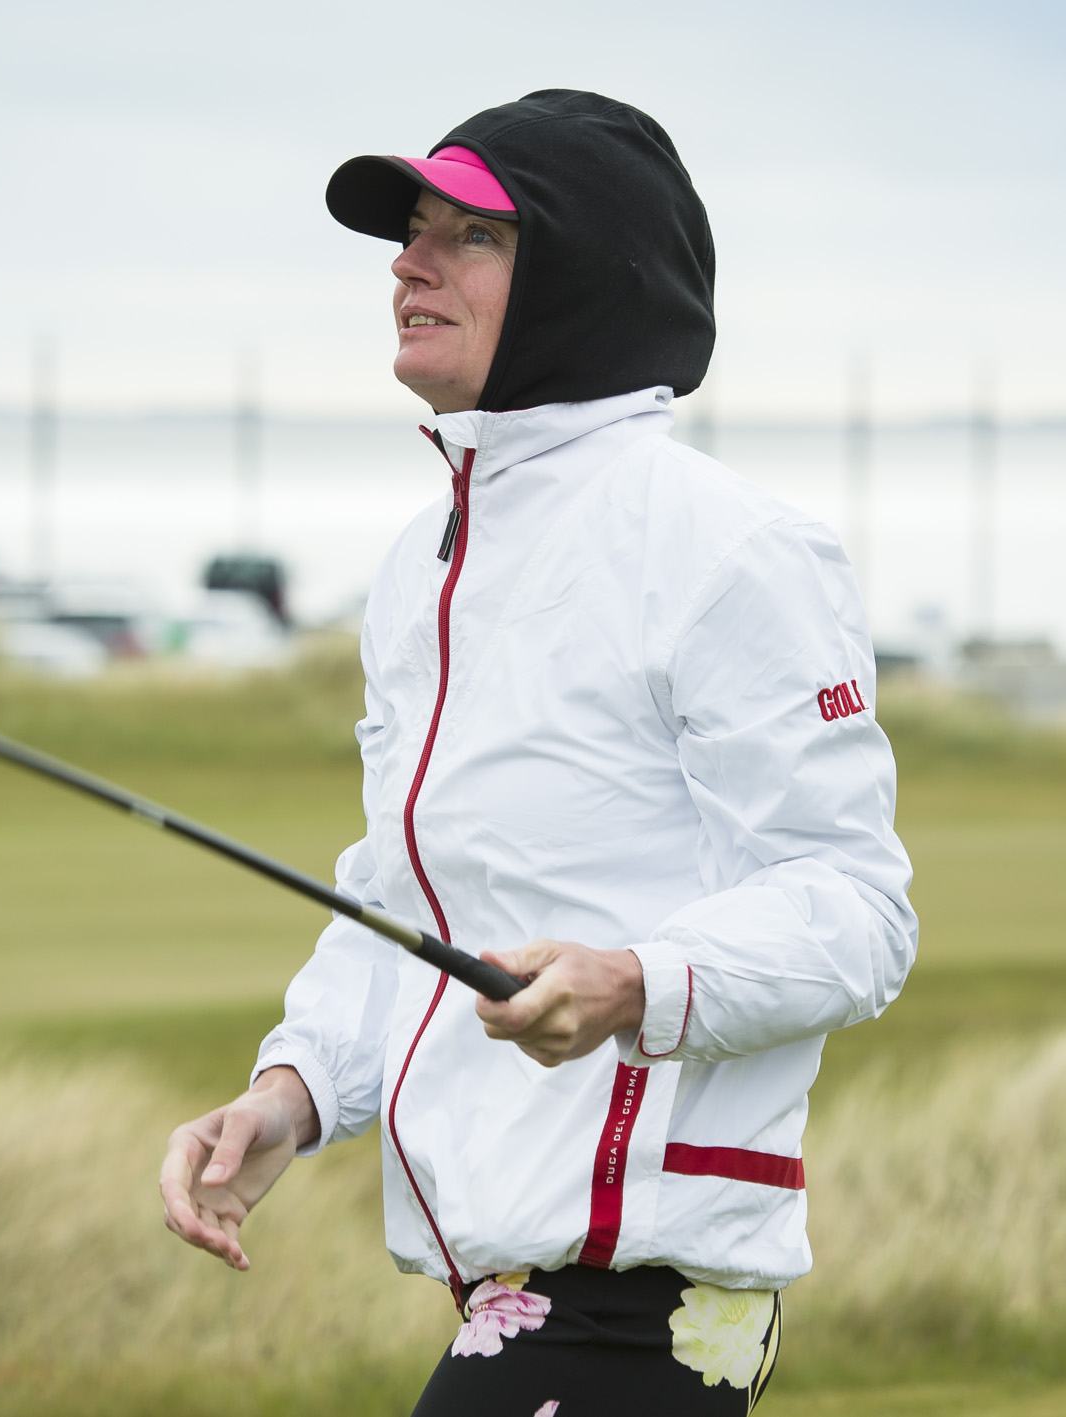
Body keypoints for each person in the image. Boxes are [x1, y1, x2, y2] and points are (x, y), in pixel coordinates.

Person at [159, 90, 916, 1416]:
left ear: (584, 276)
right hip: (505, 1285)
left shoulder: (729, 547)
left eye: (472, 235)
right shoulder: (422, 565)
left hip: (650, 1288)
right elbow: (401, 898)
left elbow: (857, 913)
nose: (409, 264)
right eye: (412, 231)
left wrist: (633, 982)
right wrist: (289, 1094)